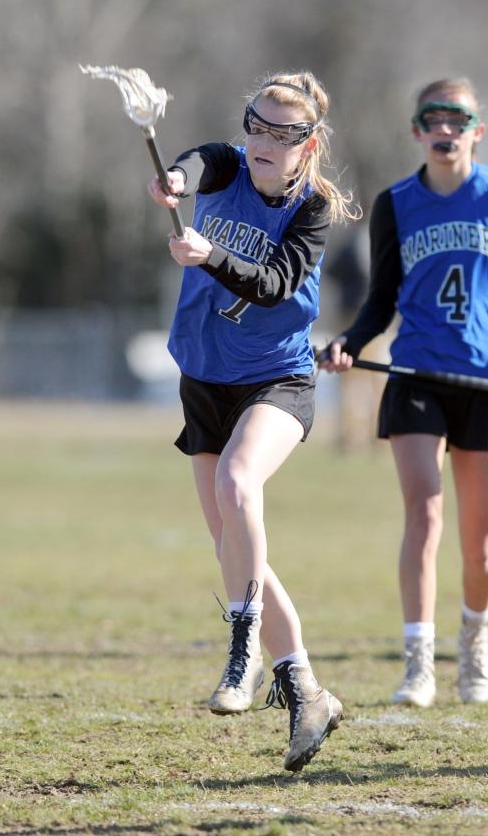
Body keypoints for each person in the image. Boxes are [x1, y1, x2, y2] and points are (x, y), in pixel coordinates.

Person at [319, 77, 488, 708]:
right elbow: (381, 299)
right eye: (433, 119)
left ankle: (475, 641)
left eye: (457, 119)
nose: (445, 129)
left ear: (475, 131)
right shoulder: (397, 202)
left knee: (481, 546)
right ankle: (418, 663)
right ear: (417, 131)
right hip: (415, 377)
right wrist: (349, 340)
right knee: (424, 515)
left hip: (485, 380)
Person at [148, 71, 359, 772]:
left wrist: (211, 256)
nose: (265, 142)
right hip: (204, 378)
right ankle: (305, 689)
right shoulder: (226, 166)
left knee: (240, 487)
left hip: (277, 378)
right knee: (233, 546)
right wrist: (174, 184)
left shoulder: (312, 210)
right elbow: (194, 161)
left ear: (309, 144)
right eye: (257, 125)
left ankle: (242, 658)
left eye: (284, 133)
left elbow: (272, 287)